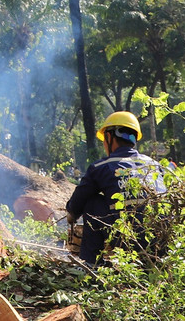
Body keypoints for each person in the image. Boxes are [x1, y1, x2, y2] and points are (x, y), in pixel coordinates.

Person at [65, 111, 166, 266]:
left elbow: (76, 205)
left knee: (92, 202)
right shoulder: (154, 165)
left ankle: (91, 264)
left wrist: (71, 215)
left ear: (109, 137)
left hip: (129, 240)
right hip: (160, 243)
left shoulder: (101, 167)